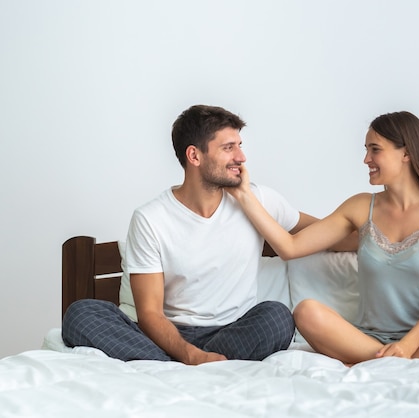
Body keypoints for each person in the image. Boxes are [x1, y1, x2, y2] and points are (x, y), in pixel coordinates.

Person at [227, 111, 419, 365]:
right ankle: (413, 360)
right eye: (366, 150)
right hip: (369, 342)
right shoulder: (361, 207)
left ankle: (405, 360)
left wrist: (409, 344)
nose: (366, 159)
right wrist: (245, 196)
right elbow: (290, 247)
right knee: (307, 311)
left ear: (407, 153)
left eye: (375, 150)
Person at [62, 104, 328, 364]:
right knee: (81, 314)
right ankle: (183, 365)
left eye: (239, 145)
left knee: (277, 316)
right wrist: (190, 354)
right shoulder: (151, 218)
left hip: (233, 332)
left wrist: (366, 230)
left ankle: (166, 368)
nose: (241, 157)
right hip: (167, 334)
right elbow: (150, 314)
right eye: (228, 148)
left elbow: (327, 232)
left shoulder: (257, 199)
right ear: (194, 156)